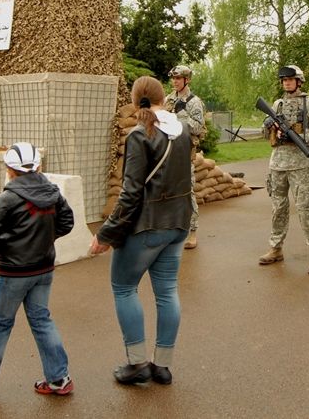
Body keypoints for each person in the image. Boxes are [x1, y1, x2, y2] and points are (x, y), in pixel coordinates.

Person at [90, 75, 193, 386]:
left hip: (147, 226)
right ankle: (162, 366)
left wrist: (105, 235)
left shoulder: (139, 135)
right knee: (167, 293)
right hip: (178, 223)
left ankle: (136, 364)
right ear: (162, 96)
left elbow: (131, 193)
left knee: (124, 288)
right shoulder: (182, 129)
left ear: (136, 101)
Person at [0, 142, 75, 403]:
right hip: (44, 268)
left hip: (14, 273)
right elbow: (67, 222)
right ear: (39, 166)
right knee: (42, 320)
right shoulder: (52, 192)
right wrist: (44, 241)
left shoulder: (8, 197)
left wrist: (1, 250)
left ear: (9, 169)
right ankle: (59, 379)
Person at [259, 65, 309, 274]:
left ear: (299, 81)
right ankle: (276, 248)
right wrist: (269, 125)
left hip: (301, 164)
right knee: (278, 208)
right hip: (278, 163)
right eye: (284, 80)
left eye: (290, 79)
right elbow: (265, 135)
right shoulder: (277, 104)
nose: (287, 83)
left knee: (306, 207)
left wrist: (302, 138)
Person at [164, 64, 206, 249]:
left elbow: (198, 127)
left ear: (186, 80)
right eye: (173, 78)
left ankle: (192, 232)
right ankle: (171, 230)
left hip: (184, 152)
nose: (174, 81)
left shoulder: (194, 102)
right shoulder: (169, 99)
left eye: (178, 78)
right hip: (169, 151)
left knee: (187, 192)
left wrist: (179, 118)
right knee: (169, 192)